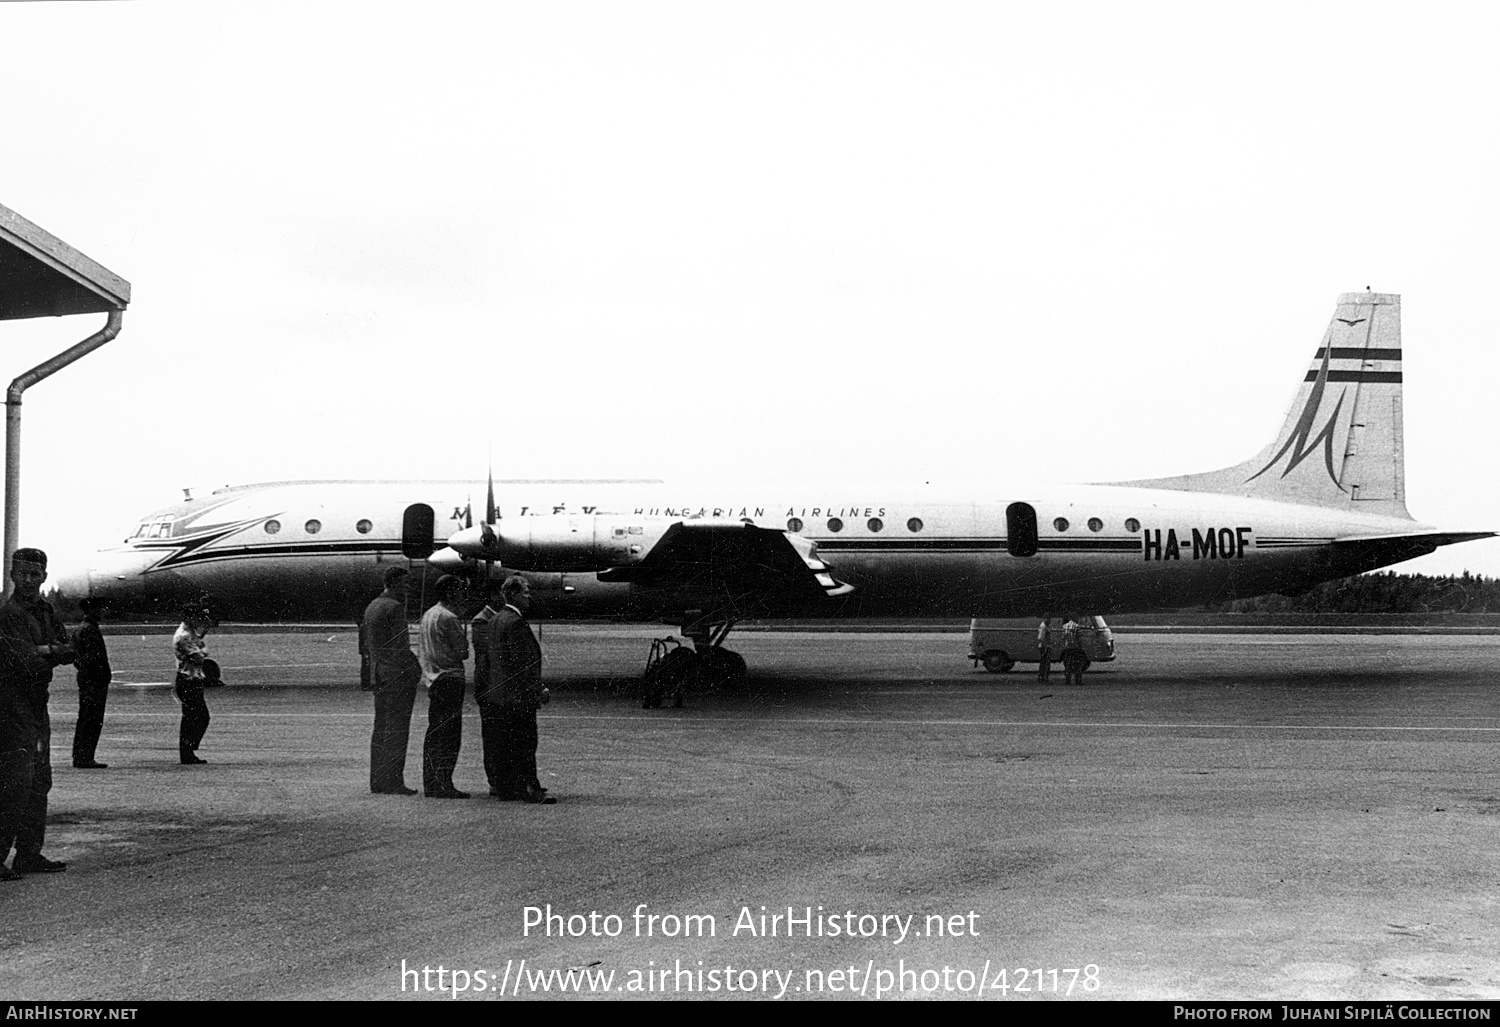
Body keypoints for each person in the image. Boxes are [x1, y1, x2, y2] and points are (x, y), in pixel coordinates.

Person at [0, 547, 74, 876]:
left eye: (35, 574)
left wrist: (47, 649)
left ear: (44, 576)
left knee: (40, 779)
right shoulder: (9, 614)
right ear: (12, 575)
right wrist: (53, 651)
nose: (28, 580)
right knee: (16, 779)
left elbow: (71, 648)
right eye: (22, 574)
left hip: (35, 702)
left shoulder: (45, 611)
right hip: (11, 702)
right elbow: (24, 661)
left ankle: (29, 853)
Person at [486, 575, 553, 803]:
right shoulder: (515, 622)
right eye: (525, 593)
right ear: (513, 594)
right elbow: (522, 664)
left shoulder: (495, 620)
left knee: (507, 744)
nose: (529, 597)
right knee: (525, 743)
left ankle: (508, 788)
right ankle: (529, 789)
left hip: (501, 695)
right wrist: (539, 689)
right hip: (518, 696)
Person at [364, 566, 420, 795]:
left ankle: (378, 780)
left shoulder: (373, 606)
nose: (407, 589)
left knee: (381, 729)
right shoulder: (395, 608)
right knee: (397, 730)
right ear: (394, 583)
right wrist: (414, 669)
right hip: (397, 676)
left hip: (379, 674)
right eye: (404, 584)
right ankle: (394, 781)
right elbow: (401, 647)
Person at [418, 575, 469, 799]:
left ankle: (431, 782)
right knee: (449, 736)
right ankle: (444, 782)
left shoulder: (429, 614)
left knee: (435, 733)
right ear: (450, 593)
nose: (461, 594)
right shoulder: (449, 618)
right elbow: (462, 652)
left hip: (433, 678)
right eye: (458, 590)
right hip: (449, 677)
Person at [469, 584, 505, 797]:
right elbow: (488, 655)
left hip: (498, 684)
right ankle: (495, 781)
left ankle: (504, 779)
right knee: (492, 735)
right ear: (493, 595)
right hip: (490, 685)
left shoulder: (498, 618)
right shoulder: (481, 621)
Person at [71, 598, 112, 769]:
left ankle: (82, 755)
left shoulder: (84, 628)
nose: (103, 611)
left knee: (86, 718)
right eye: (99, 608)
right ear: (91, 610)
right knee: (92, 719)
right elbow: (91, 658)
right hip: (93, 680)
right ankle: (84, 757)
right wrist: (101, 675)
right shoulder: (89, 630)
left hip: (89, 679)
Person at [173, 603, 213, 764]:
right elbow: (200, 656)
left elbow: (202, 650)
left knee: (196, 717)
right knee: (195, 717)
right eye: (196, 616)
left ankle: (188, 750)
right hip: (188, 680)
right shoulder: (185, 636)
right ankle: (187, 751)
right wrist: (201, 651)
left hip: (192, 678)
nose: (199, 619)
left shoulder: (190, 633)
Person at [1061, 615, 1083, 686]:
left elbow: (1063, 638)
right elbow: (1080, 638)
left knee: (1067, 665)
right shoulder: (1077, 626)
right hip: (1075, 648)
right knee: (1077, 665)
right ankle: (1078, 681)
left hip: (1067, 648)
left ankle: (1067, 680)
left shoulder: (1064, 626)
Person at [1036, 616, 1053, 682]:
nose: (1049, 621)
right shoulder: (1043, 627)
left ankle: (1042, 677)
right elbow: (1040, 638)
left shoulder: (1045, 626)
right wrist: (1045, 645)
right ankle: (1044, 677)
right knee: (1046, 663)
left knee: (1044, 662)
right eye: (1048, 619)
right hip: (1045, 647)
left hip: (1045, 646)